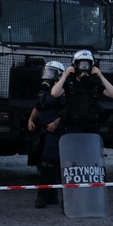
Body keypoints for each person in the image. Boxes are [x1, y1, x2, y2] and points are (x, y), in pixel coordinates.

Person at [27, 60, 66, 208]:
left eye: (51, 73)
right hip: (42, 130)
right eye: (47, 72)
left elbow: (67, 110)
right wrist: (31, 119)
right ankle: (52, 196)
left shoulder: (62, 91)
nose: (47, 76)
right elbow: (38, 106)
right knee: (44, 162)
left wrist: (56, 122)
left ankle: (42, 197)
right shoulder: (43, 90)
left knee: (47, 162)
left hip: (55, 131)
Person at [50, 50, 113, 134]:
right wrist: (65, 75)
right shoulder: (70, 83)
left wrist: (100, 75)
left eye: (87, 64)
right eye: (81, 64)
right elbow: (54, 93)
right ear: (75, 65)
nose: (84, 67)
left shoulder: (94, 83)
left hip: (91, 126)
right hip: (73, 125)